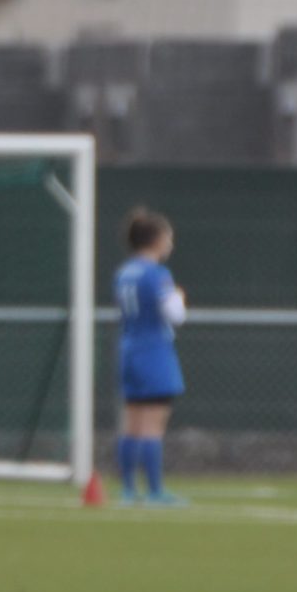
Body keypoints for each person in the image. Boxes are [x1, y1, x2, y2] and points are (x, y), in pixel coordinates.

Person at [115, 207, 187, 505]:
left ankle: (129, 489)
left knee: (131, 422)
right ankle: (155, 489)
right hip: (154, 350)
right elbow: (175, 315)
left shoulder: (124, 273)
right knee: (153, 424)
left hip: (129, 349)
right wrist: (179, 297)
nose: (170, 243)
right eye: (168, 237)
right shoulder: (158, 274)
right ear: (156, 239)